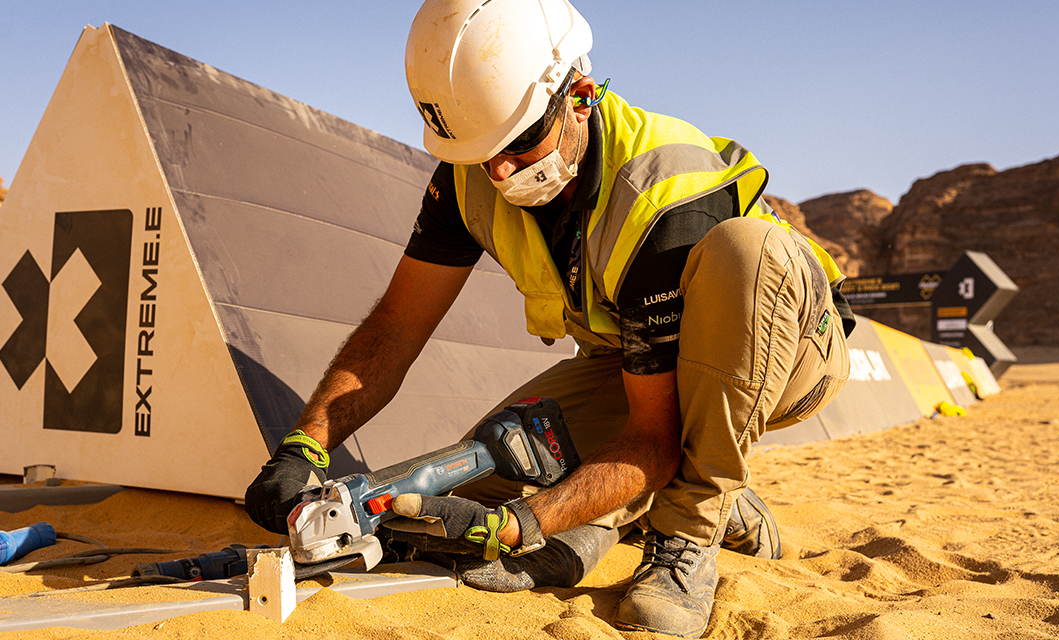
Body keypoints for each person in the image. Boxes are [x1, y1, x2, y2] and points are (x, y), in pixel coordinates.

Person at [245, 0, 853, 636]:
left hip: (782, 349)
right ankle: (691, 493)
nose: (501, 172)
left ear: (581, 95)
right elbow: (396, 327)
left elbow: (651, 437)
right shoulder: (469, 173)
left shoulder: (666, 193)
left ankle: (693, 524)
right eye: (481, 153)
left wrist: (519, 526)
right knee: (503, 459)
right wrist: (305, 444)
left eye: (519, 143)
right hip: (637, 355)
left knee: (742, 257)